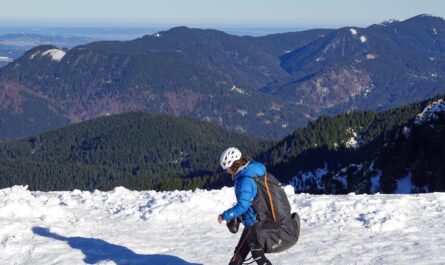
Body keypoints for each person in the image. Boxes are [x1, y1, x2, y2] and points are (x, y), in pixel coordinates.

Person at [217, 147, 272, 265]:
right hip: (252, 221)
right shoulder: (247, 173)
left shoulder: (244, 180)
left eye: (227, 168)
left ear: (233, 165)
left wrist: (225, 216)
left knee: (256, 255)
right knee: (239, 255)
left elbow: (243, 205)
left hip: (254, 224)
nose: (227, 171)